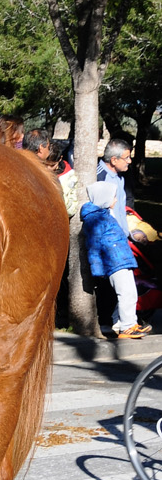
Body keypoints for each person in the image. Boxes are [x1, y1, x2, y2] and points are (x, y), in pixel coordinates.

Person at [80, 181, 147, 339]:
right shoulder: (96, 219)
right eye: (113, 197)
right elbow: (93, 245)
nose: (116, 200)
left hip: (121, 260)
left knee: (129, 293)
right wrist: (97, 268)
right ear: (104, 198)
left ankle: (122, 322)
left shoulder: (105, 215)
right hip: (115, 262)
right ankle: (128, 326)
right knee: (127, 293)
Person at [95, 138, 132, 234]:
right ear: (114, 160)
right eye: (126, 158)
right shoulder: (99, 178)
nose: (129, 161)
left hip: (122, 238)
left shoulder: (120, 176)